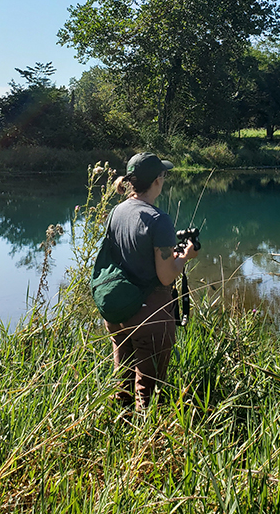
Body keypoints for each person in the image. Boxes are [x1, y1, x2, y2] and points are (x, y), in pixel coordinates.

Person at [104, 152, 198, 409]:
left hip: (118, 310)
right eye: (163, 175)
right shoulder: (159, 219)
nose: (163, 179)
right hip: (149, 315)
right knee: (147, 392)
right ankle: (145, 441)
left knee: (122, 381)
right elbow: (166, 275)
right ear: (157, 180)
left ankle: (120, 430)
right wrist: (185, 257)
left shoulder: (116, 212)